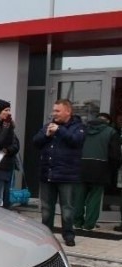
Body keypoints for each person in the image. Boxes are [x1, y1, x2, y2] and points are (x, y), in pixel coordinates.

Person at [33, 99, 86, 247]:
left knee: (67, 208)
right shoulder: (48, 126)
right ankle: (46, 234)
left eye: (57, 110)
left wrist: (59, 130)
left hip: (67, 175)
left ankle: (68, 235)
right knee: (46, 208)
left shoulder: (78, 127)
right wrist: (47, 135)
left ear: (68, 111)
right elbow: (35, 142)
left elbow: (76, 140)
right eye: (54, 110)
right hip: (47, 174)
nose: (54, 113)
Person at [74, 113, 122, 230]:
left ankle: (77, 222)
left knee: (79, 197)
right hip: (101, 168)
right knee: (94, 199)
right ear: (108, 122)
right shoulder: (111, 132)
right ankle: (89, 224)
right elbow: (115, 155)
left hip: (81, 166)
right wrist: (112, 169)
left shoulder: (83, 130)